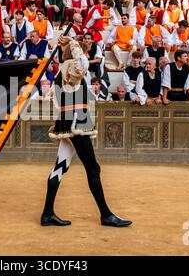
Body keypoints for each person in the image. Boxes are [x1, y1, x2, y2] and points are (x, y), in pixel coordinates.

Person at [41, 38, 132, 228]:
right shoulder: (71, 68)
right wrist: (73, 43)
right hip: (76, 125)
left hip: (69, 124)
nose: (86, 56)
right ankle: (106, 215)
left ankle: (47, 213)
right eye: (83, 52)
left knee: (60, 167)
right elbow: (82, 65)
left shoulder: (63, 71)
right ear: (75, 54)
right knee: (93, 168)